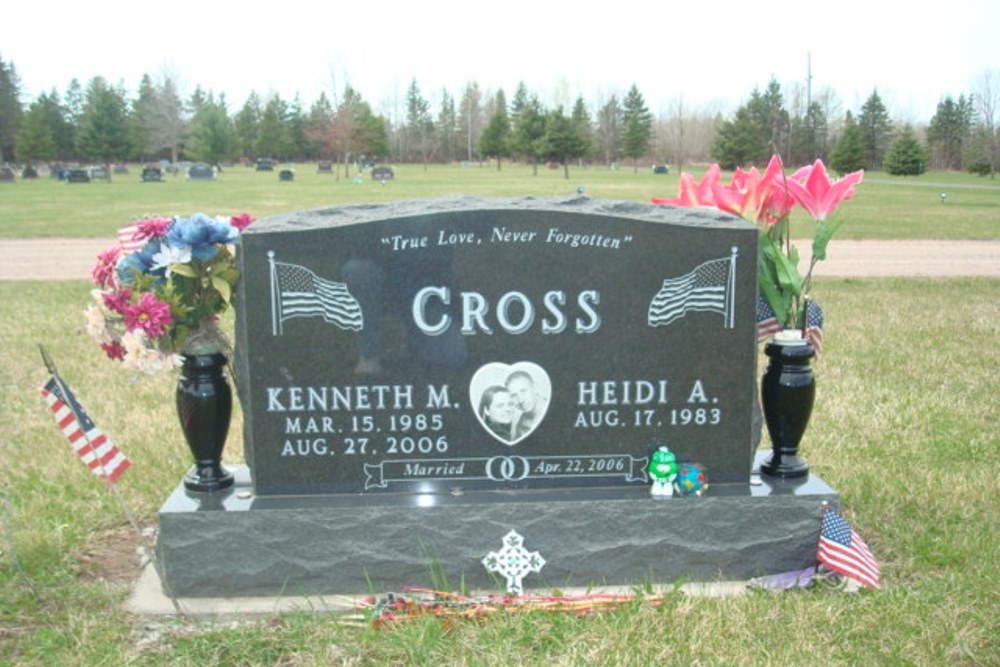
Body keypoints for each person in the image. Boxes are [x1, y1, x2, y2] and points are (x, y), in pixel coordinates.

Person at [506, 370, 547, 440]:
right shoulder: (521, 424)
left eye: (523, 391)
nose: (520, 400)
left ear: (535, 388)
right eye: (514, 396)